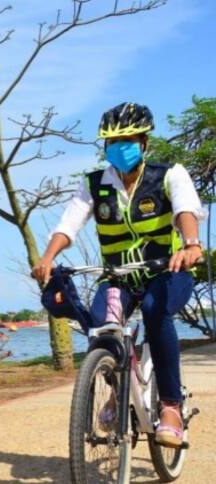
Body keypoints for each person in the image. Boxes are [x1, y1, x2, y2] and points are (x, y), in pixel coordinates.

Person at [32, 102, 204, 447]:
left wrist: (190, 245)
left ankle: (171, 406)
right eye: (112, 141)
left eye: (127, 139)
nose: (119, 146)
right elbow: (70, 223)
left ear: (144, 141)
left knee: (156, 312)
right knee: (101, 326)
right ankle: (120, 391)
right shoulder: (95, 184)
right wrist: (47, 257)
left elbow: (187, 208)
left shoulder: (169, 173)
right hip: (119, 277)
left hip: (167, 271)